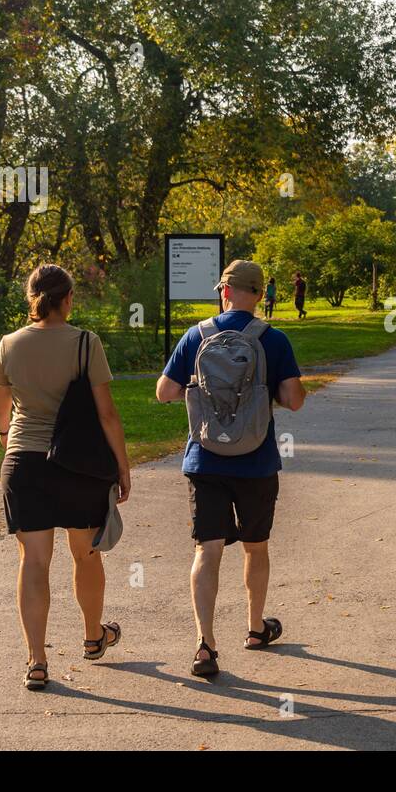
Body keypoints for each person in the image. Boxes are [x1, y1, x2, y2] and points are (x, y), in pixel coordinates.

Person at [156, 260, 306, 678]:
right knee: (256, 546)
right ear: (259, 295)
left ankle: (205, 645)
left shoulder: (196, 336)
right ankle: (256, 629)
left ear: (223, 291)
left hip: (204, 459)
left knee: (208, 548)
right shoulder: (272, 339)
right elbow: (293, 400)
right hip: (256, 462)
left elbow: (164, 392)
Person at [0, 264, 131, 691]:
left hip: (24, 464)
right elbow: (106, 413)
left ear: (31, 298)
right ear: (68, 298)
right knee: (86, 554)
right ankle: (93, 638)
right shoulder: (86, 343)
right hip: (80, 465)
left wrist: (8, 439)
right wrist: (122, 466)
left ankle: (36, 661)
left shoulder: (9, 344)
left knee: (33, 562)